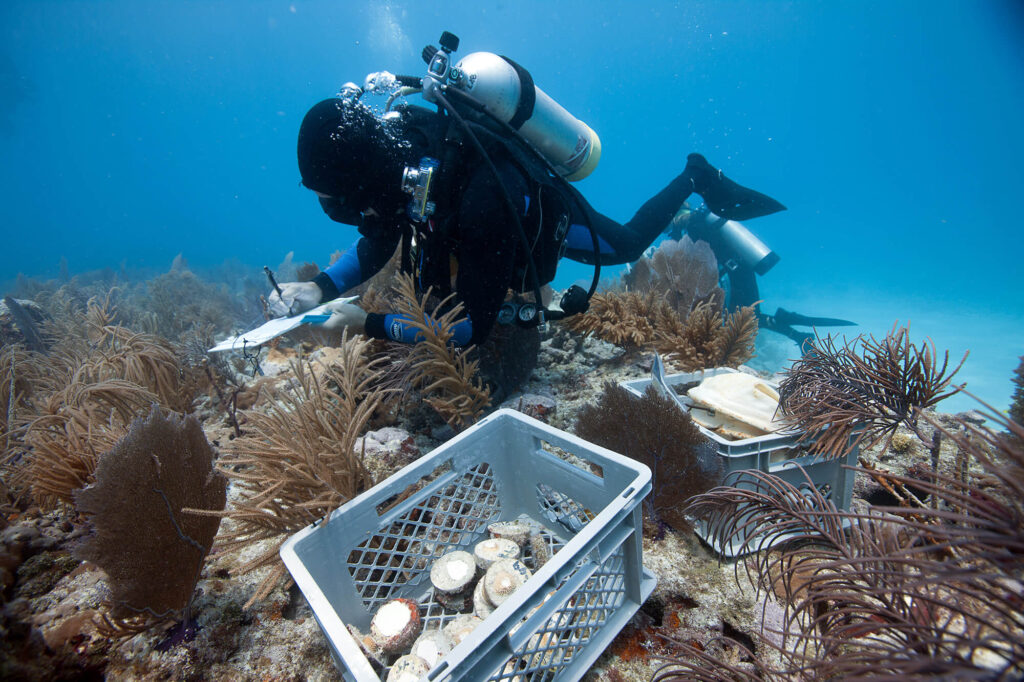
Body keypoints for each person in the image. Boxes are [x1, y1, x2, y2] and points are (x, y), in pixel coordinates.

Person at [269, 96, 786, 348]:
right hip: (479, 222)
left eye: (333, 199)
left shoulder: (477, 198)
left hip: (535, 216)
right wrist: (318, 288)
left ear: (362, 182)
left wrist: (368, 323)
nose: (335, 212)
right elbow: (379, 236)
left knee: (626, 245)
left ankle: (693, 178)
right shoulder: (401, 164)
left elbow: (472, 329)